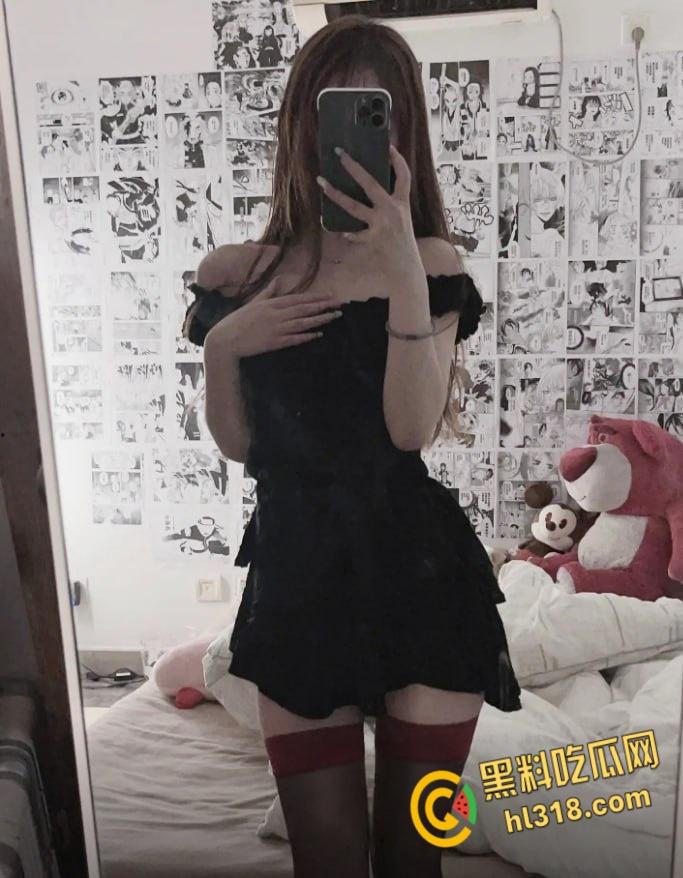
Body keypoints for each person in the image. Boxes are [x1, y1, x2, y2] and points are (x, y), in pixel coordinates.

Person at [190, 16, 521, 878]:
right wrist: (223, 346)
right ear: (299, 121)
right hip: (297, 574)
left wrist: (402, 264)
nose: (345, 139)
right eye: (332, 109)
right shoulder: (238, 273)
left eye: (376, 113)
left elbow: (409, 430)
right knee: (326, 860)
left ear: (403, 130)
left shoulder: (433, 262)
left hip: (422, 577)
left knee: (416, 855)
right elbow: (240, 446)